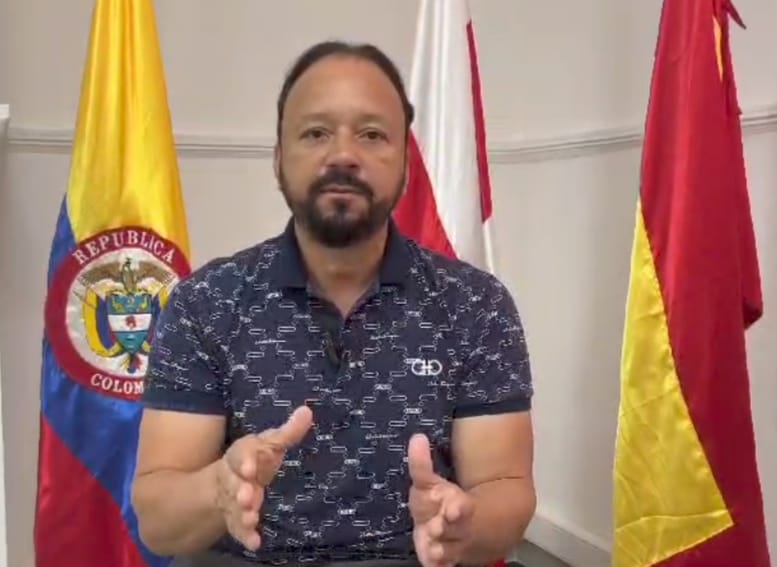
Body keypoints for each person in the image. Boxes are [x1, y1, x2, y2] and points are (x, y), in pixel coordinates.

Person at [131, 39, 536, 567]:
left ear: (406, 163)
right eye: (316, 133)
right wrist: (218, 489)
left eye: (372, 134)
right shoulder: (205, 303)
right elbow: (158, 521)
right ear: (279, 159)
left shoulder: (476, 306)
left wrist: (465, 523)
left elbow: (506, 487)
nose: (344, 155)